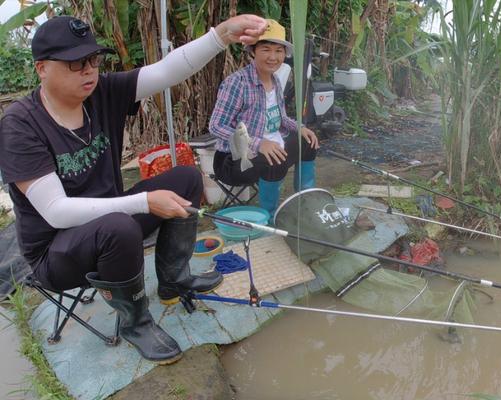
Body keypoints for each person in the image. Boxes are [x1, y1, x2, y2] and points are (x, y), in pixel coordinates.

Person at [0, 14, 268, 364]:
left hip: (111, 225)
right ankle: (136, 322)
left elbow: (166, 71)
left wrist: (220, 36)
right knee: (120, 224)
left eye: (93, 60)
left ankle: (175, 280)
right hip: (56, 253)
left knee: (186, 178)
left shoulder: (101, 93)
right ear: (42, 69)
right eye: (75, 63)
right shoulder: (20, 125)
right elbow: (56, 211)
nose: (89, 71)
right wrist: (143, 201)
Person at [209, 19, 320, 221]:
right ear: (252, 51)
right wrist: (258, 143)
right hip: (233, 159)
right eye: (266, 49)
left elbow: (280, 117)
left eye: (278, 51)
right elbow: (216, 125)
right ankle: (269, 217)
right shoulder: (238, 83)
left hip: (270, 145)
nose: (273, 57)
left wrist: (300, 127)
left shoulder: (275, 80)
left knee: (309, 141)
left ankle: (305, 201)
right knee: (274, 157)